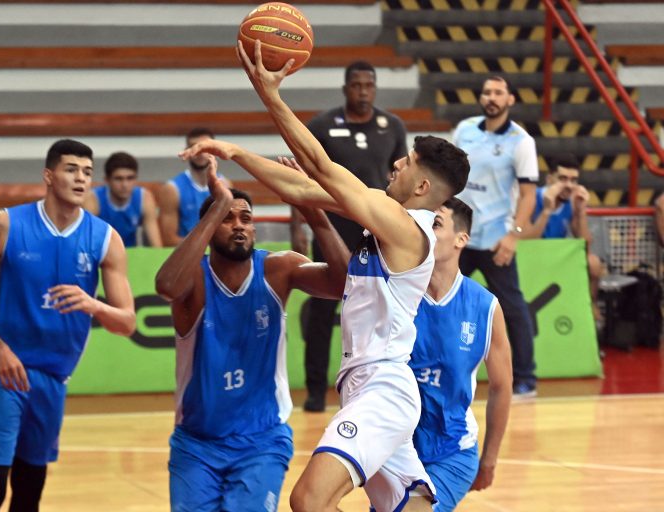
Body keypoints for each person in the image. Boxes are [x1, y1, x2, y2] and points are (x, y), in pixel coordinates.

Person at [184, 40, 470, 512]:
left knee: (309, 500)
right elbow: (302, 186)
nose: (395, 163)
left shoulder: (406, 226)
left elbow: (320, 166)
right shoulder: (387, 215)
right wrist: (236, 153)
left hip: (383, 387)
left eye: (406, 163)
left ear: (422, 186)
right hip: (370, 385)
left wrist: (270, 94)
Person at [0, 139, 136, 512]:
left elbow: (127, 323)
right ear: (49, 176)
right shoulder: (6, 224)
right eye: (71, 169)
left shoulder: (105, 238)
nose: (81, 178)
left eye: (87, 172)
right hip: (3, 369)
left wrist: (93, 304)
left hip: (53, 375)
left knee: (29, 489)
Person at [155, 159, 350, 511]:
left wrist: (311, 208)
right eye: (227, 218)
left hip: (261, 441)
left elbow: (344, 284)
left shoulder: (278, 269)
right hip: (197, 444)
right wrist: (216, 207)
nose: (239, 225)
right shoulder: (193, 280)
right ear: (208, 226)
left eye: (246, 218)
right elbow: (166, 286)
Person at [289, 60, 408, 412]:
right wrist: (298, 223)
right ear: (345, 89)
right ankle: (315, 390)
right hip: (332, 231)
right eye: (356, 85)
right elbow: (302, 178)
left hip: (376, 233)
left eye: (369, 85)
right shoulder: (323, 125)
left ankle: (378, 385)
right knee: (322, 311)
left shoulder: (392, 126)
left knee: (382, 310)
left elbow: (401, 178)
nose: (363, 91)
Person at [409, 198, 512, 511]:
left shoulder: (485, 306)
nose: (425, 230)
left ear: (460, 239)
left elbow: (501, 387)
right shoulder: (398, 293)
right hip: (395, 449)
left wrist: (489, 459)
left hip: (452, 450)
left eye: (436, 224)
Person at [453, 75, 539, 399]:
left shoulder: (521, 141)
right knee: (439, 299)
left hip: (495, 238)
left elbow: (528, 195)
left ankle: (526, 378)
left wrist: (513, 236)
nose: (491, 97)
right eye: (487, 92)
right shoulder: (465, 129)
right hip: (460, 235)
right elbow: (449, 175)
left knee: (512, 307)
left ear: (510, 99)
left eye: (499, 92)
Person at [524, 153, 603, 320]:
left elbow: (585, 245)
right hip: (532, 257)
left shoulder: (572, 202)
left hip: (558, 258)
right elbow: (527, 240)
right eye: (563, 179)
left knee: (593, 263)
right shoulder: (532, 198)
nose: (569, 185)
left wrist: (581, 212)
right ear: (549, 179)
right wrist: (547, 210)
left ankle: (590, 306)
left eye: (574, 180)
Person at [157, 128, 231, 246]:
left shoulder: (226, 185)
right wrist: (203, 249)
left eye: (205, 147)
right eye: (194, 146)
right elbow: (169, 240)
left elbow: (230, 230)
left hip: (217, 252)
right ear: (186, 151)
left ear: (215, 151)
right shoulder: (172, 189)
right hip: (187, 253)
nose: (200, 151)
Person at [84, 151, 163, 247]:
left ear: (136, 179)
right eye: (118, 179)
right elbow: (86, 241)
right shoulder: (93, 199)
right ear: (107, 180)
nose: (125, 185)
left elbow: (156, 245)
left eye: (130, 178)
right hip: (102, 252)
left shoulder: (144, 197)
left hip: (130, 252)